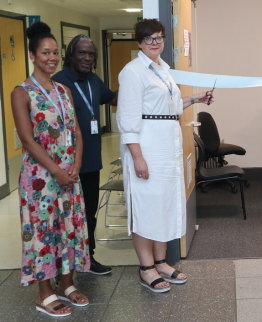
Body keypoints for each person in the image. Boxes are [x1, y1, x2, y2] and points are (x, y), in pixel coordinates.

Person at [117, 18, 213, 293]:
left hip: (167, 147)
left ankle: (161, 262)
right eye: (149, 39)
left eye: (159, 37)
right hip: (146, 147)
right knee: (146, 206)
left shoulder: (163, 69)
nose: (155, 42)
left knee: (163, 204)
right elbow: (128, 118)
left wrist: (195, 99)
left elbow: (168, 107)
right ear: (139, 42)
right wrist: (137, 156)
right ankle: (146, 268)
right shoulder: (133, 72)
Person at [11, 21, 89, 317]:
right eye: (45, 52)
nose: (52, 57)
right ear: (32, 55)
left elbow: (77, 132)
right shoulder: (22, 92)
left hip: (70, 174)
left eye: (56, 52)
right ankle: (44, 293)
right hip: (41, 178)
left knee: (69, 228)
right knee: (43, 232)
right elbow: (28, 141)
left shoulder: (64, 90)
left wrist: (76, 164)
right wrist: (56, 170)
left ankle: (67, 284)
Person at [53, 34, 117, 275]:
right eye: (81, 53)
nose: (87, 58)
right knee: (65, 213)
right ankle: (63, 264)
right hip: (65, 162)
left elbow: (113, 99)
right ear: (70, 55)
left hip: (90, 160)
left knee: (89, 211)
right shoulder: (58, 81)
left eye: (91, 54)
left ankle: (87, 259)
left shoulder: (93, 80)